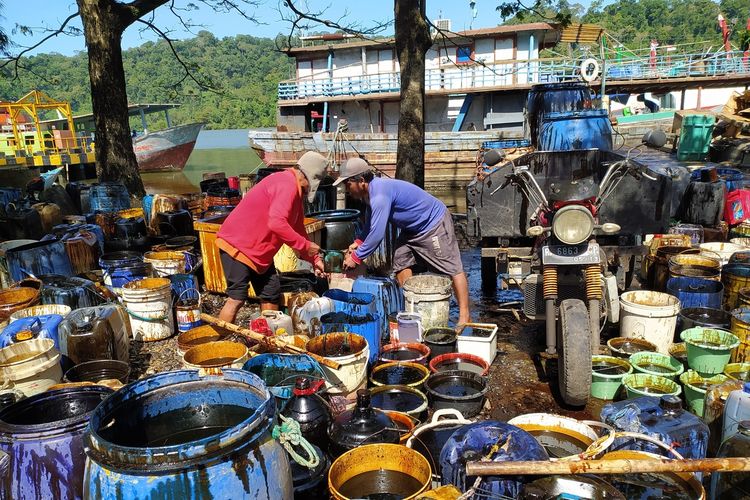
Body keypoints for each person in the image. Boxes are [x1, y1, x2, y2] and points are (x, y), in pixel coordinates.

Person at [335, 158, 471, 325]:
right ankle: (412, 310)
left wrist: (356, 257)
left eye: (348, 184)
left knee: (452, 267)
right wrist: (359, 241)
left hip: (432, 223)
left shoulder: (379, 194)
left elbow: (377, 234)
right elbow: (371, 222)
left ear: (361, 181)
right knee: (400, 261)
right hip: (411, 229)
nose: (347, 190)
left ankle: (465, 316)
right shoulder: (370, 193)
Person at [215, 151, 327, 323]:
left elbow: (297, 229)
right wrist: (305, 246)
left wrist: (314, 259)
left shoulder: (296, 192)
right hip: (238, 245)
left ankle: (269, 337)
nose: (309, 190)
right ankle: (218, 345)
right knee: (237, 298)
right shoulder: (287, 185)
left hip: (260, 251)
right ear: (308, 177)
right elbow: (276, 223)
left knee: (271, 293)